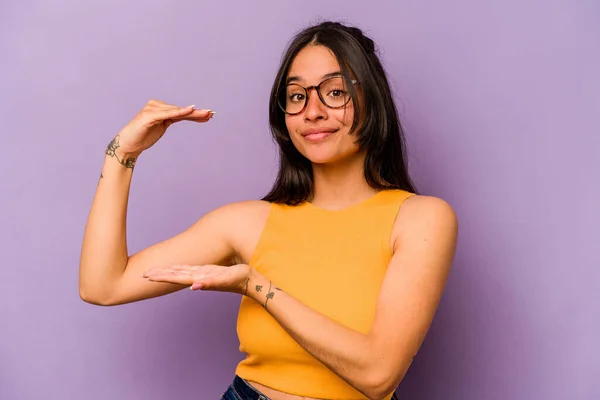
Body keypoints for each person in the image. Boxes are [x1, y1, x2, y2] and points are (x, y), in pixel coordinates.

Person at [79, 21, 458, 400]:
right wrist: (122, 154)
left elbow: (379, 375)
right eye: (296, 96)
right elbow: (103, 286)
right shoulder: (244, 223)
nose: (312, 111)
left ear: (371, 100)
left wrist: (256, 286)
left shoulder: (420, 219)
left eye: (335, 92)